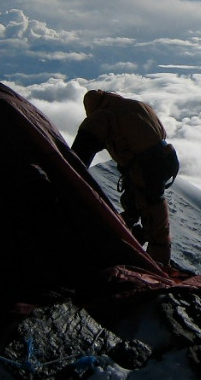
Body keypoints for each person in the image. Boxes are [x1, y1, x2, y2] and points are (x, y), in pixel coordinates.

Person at [71, 90, 180, 265]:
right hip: (166, 159)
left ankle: (151, 262)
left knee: (150, 213)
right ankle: (150, 252)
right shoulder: (136, 106)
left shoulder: (101, 117)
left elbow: (78, 157)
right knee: (152, 211)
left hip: (144, 168)